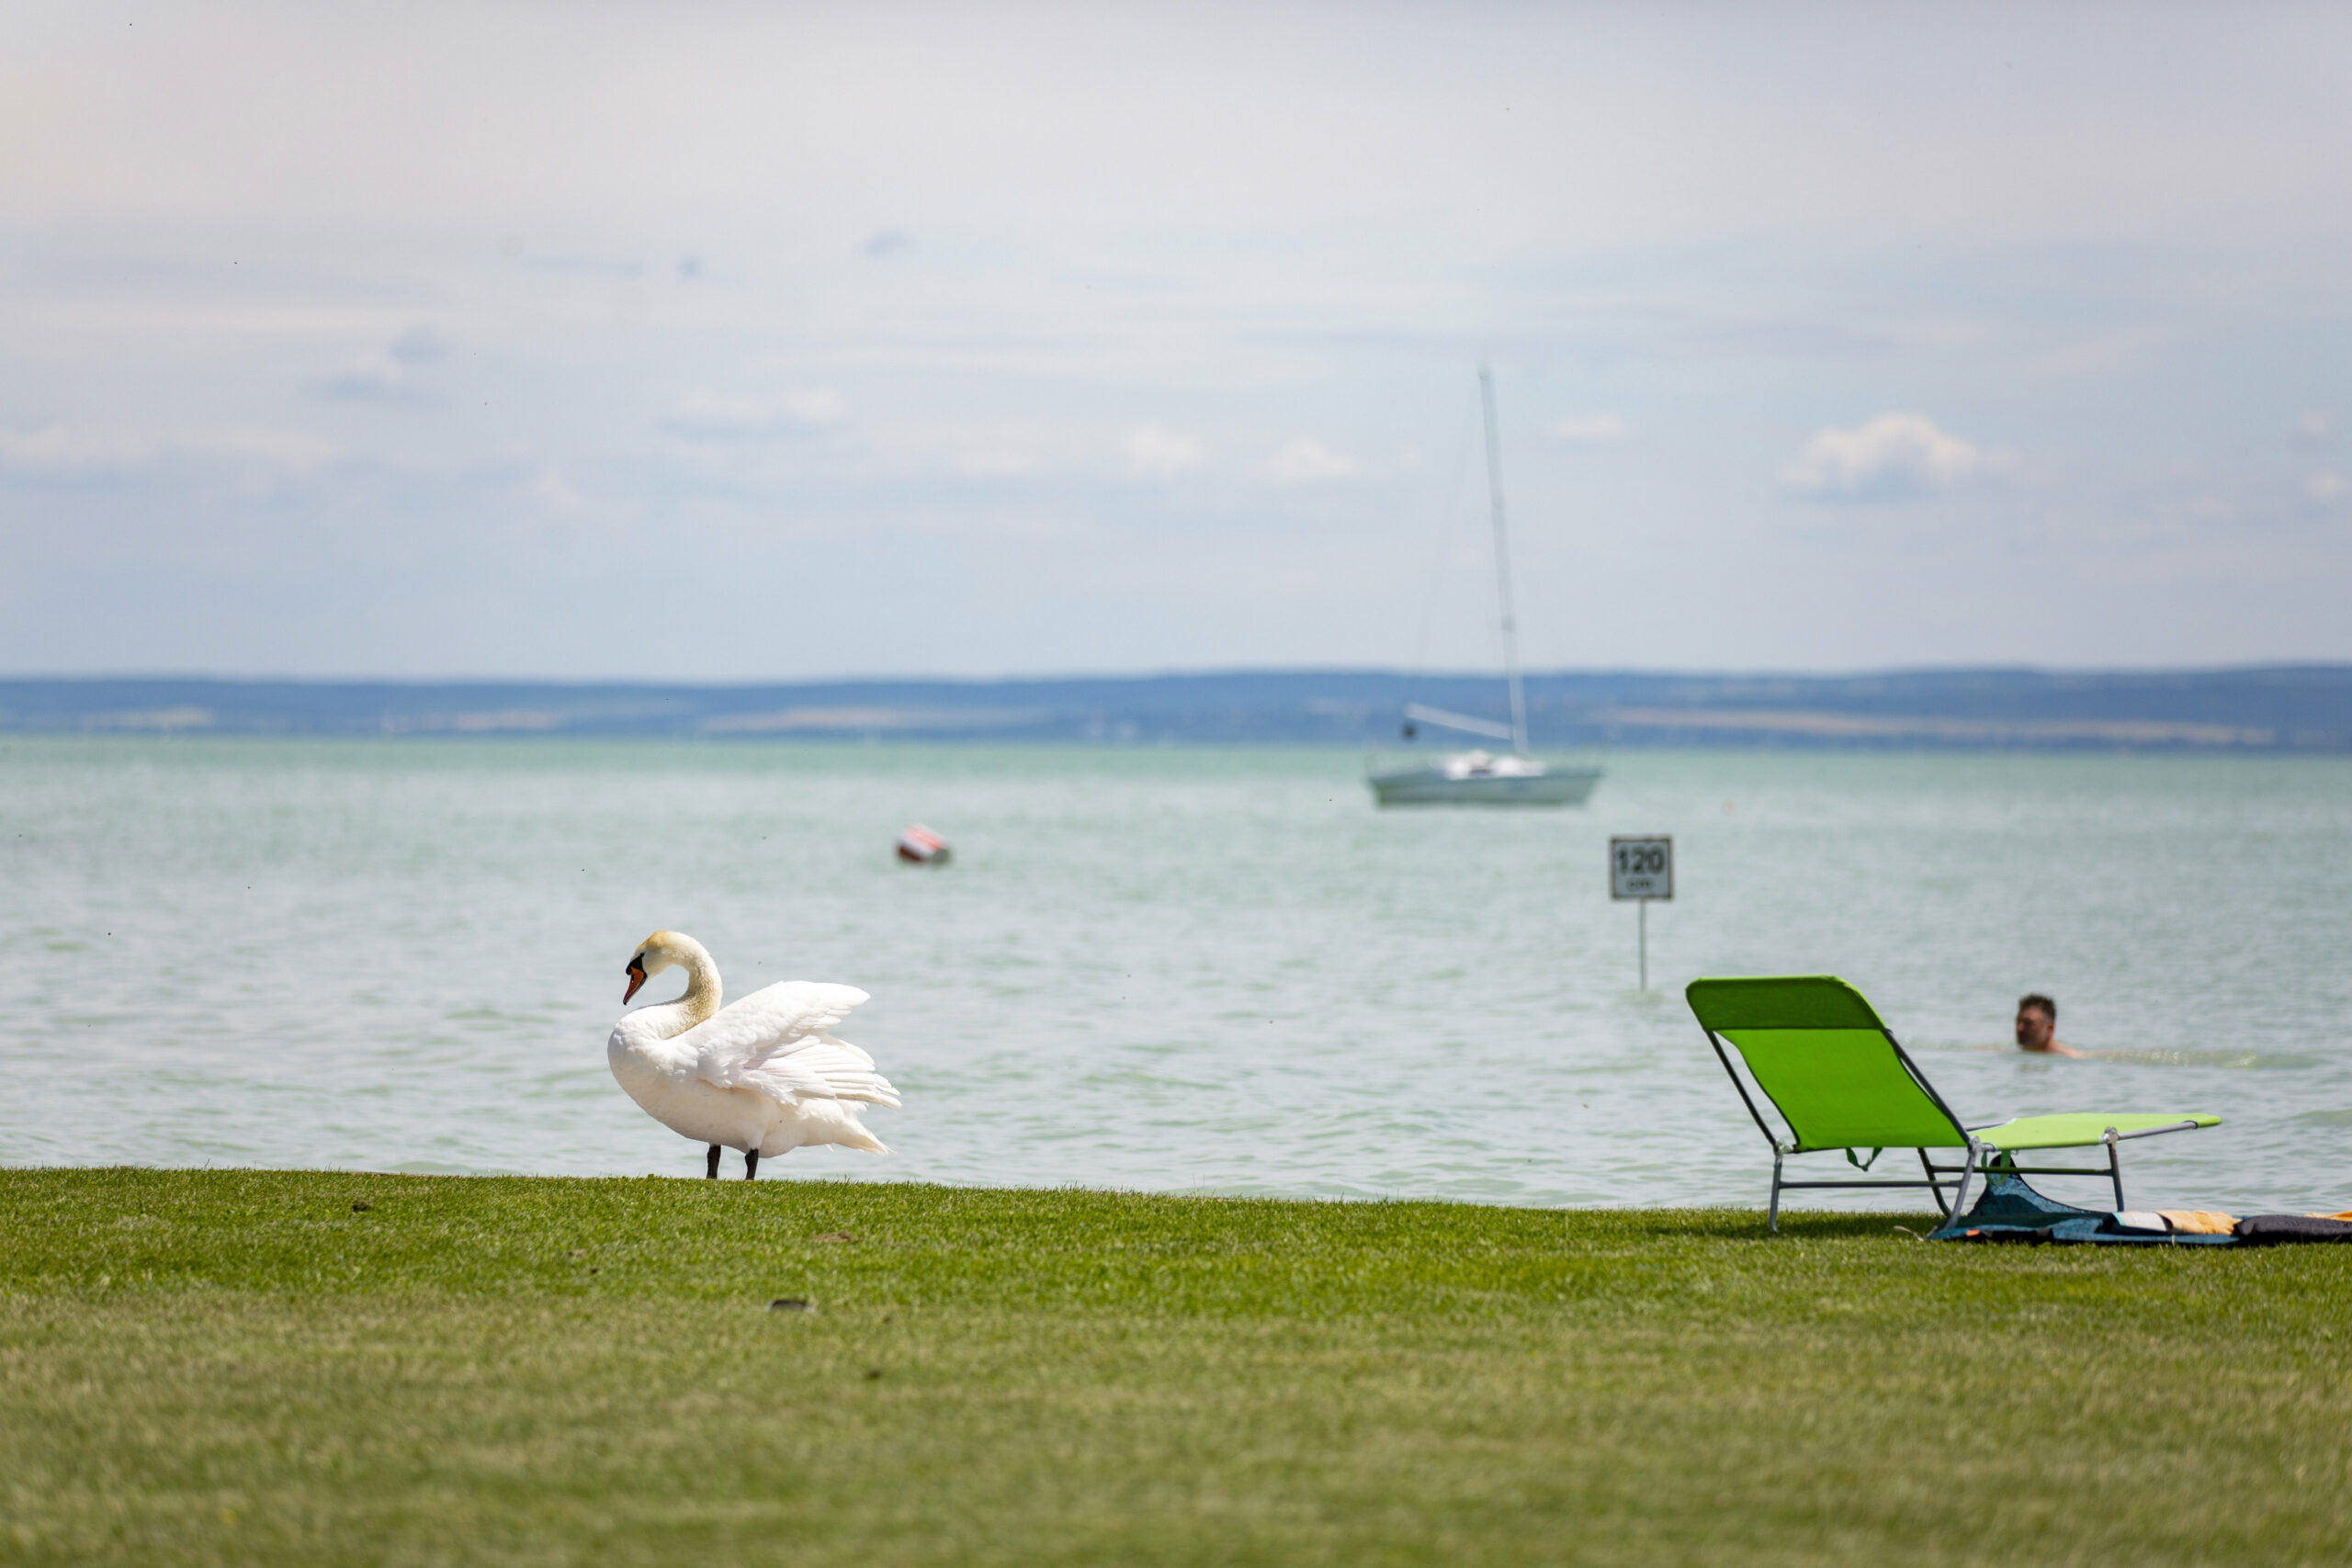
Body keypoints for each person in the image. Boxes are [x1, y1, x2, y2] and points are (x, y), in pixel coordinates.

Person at [2015, 994, 2082, 1057]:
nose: (2020, 1029)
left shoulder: (2070, 1057)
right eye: (2018, 1022)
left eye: (2029, 1023)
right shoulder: (2013, 1053)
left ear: (2050, 1028)